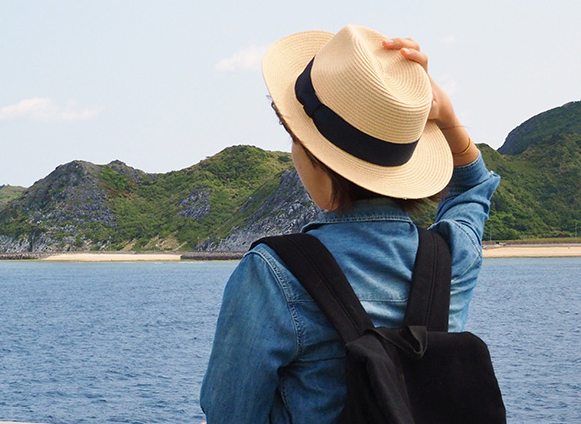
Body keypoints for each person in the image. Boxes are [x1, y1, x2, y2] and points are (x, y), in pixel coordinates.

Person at [199, 25, 500, 423]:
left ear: (317, 162)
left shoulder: (273, 274)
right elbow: (473, 186)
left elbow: (229, 413)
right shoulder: (451, 257)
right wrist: (445, 114)